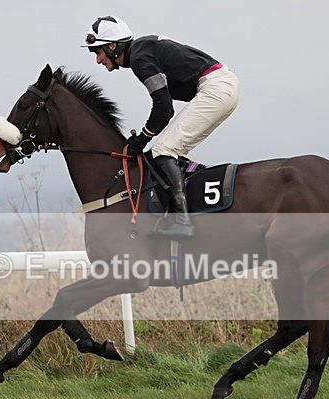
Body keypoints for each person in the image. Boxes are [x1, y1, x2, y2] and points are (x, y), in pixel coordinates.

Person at [83, 16, 239, 239]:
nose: (98, 60)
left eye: (97, 52)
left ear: (112, 46)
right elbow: (166, 108)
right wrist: (145, 136)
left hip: (215, 88)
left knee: (163, 150)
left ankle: (182, 222)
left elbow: (164, 106)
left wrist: (142, 139)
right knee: (171, 151)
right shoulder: (141, 50)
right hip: (220, 87)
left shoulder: (139, 57)